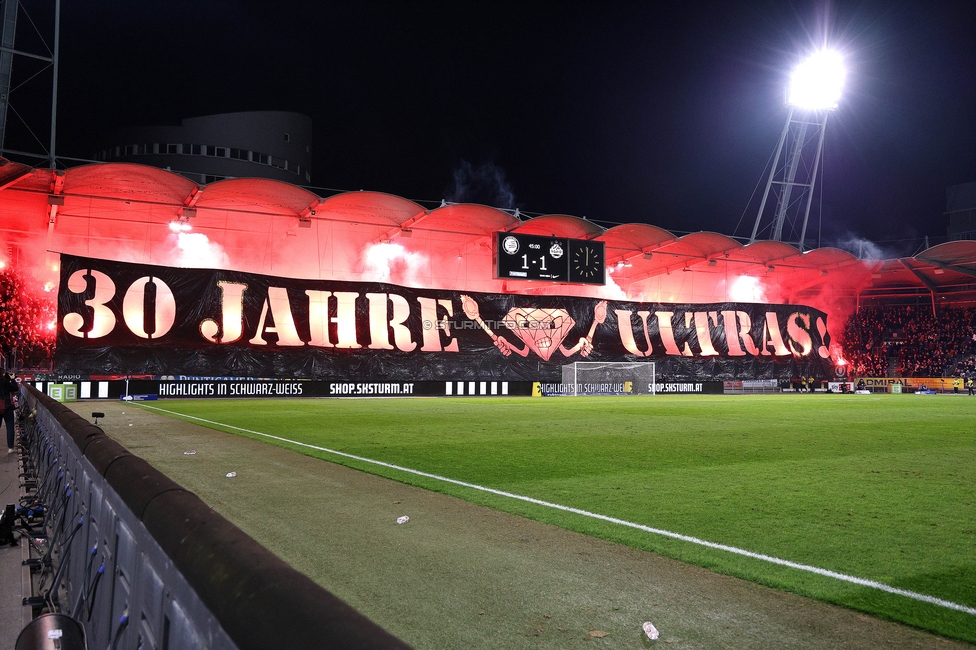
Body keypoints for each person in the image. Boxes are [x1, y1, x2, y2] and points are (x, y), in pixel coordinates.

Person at [1, 371, 18, 454]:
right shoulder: (5, 381)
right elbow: (15, 388)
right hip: (7, 407)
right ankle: (10, 448)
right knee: (10, 426)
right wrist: (12, 379)